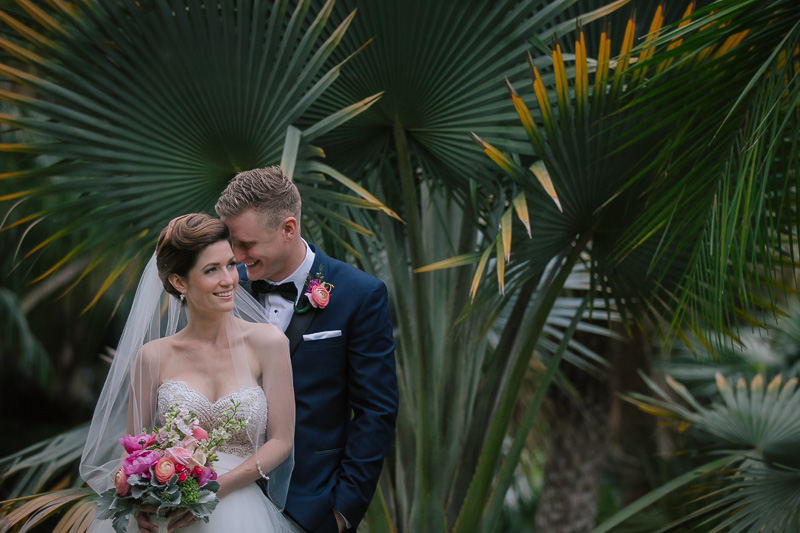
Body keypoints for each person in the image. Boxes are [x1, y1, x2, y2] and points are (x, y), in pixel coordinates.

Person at [80, 213, 302, 533]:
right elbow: (136, 449)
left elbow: (281, 441)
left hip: (241, 510)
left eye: (229, 264)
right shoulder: (152, 357)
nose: (228, 279)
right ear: (179, 281)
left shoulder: (268, 343)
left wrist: (214, 489)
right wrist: (137, 500)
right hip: (167, 516)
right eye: (212, 270)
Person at [215, 166, 398, 533]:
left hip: (311, 505)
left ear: (288, 229)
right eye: (231, 242)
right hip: (223, 502)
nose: (235, 256)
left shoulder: (360, 295)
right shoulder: (224, 290)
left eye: (246, 244)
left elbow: (376, 411)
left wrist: (342, 512)